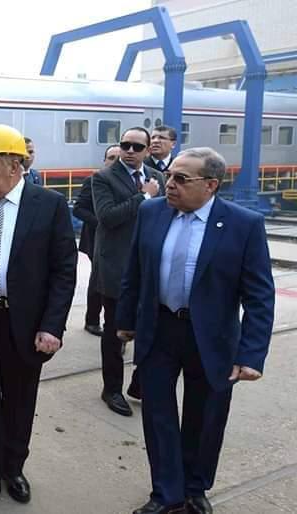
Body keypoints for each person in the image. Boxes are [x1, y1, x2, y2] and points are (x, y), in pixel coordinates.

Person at [116, 148, 275, 514]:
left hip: (212, 336)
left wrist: (251, 355)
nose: (169, 184)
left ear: (211, 185)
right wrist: (125, 320)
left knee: (205, 416)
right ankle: (166, 493)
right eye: (169, 176)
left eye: (181, 179)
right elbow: (135, 272)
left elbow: (259, 296)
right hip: (160, 328)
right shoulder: (151, 212)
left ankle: (194, 488)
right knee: (158, 414)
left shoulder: (243, 224)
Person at [0, 124, 77, 513]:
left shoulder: (49, 205)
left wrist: (52, 326)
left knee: (20, 401)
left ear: (14, 166)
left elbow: (63, 271)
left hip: (24, 324)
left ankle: (13, 468)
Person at [92, 127, 165, 416]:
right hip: (116, 266)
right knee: (114, 330)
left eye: (137, 147)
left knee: (151, 326)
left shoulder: (157, 177)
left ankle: (139, 383)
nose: (130, 151)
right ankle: (111, 389)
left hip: (150, 265)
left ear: (147, 150)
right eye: (125, 145)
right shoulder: (103, 178)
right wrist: (143, 197)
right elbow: (107, 217)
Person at [73, 144, 120, 337]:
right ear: (104, 160)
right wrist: (102, 223)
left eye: (119, 157)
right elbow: (79, 209)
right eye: (111, 158)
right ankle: (92, 320)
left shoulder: (129, 181)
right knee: (98, 280)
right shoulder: (93, 180)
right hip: (97, 239)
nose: (115, 161)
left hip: (121, 240)